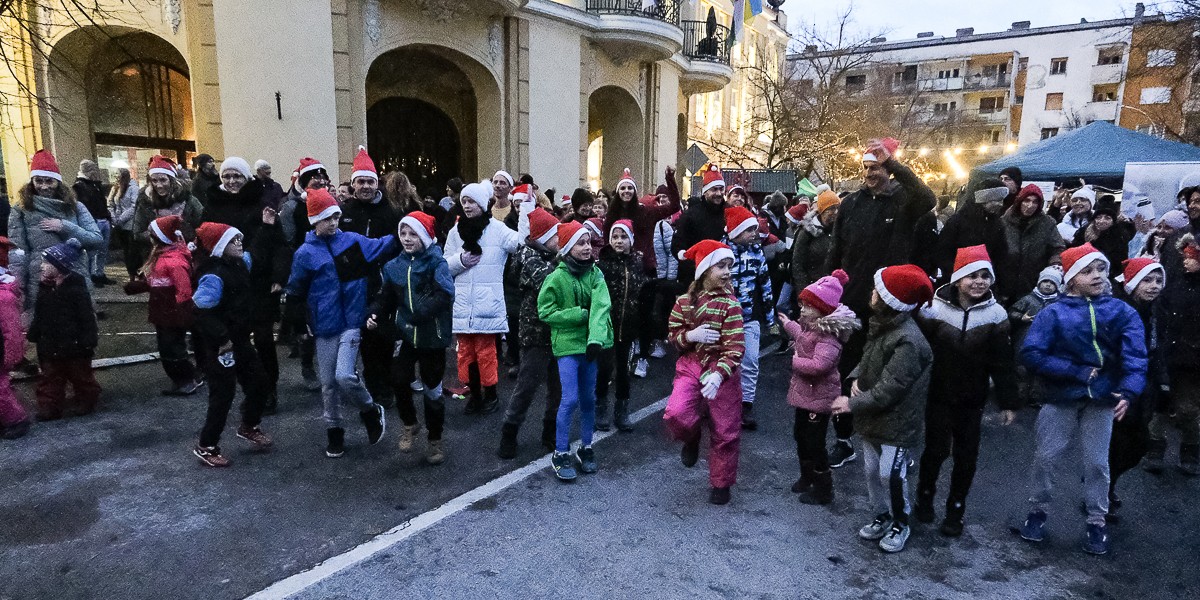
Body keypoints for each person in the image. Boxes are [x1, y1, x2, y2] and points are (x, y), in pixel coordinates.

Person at [1019, 243, 1147, 556]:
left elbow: (1135, 354)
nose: (1098, 276)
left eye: (1102, 269)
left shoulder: (1121, 311)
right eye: (1088, 270)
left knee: (1097, 464)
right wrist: (1075, 371)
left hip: (1103, 399)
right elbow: (1031, 353)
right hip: (1060, 396)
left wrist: (1129, 391)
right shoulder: (1053, 313)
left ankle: (1096, 521)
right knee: (1046, 457)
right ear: (1073, 277)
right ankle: (1036, 512)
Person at [824, 138, 936, 471]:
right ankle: (844, 440)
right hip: (853, 303)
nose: (871, 174)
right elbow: (836, 250)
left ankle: (891, 442)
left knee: (891, 377)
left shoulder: (905, 201)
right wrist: (829, 291)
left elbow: (928, 198)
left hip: (892, 307)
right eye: (867, 168)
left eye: (877, 168)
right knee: (846, 373)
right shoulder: (850, 203)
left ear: (888, 169)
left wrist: (896, 165)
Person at [913, 245, 1018, 538]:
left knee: (966, 455)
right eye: (972, 276)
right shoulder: (934, 309)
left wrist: (1008, 400)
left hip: (973, 397)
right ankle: (925, 495)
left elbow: (1003, 360)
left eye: (985, 276)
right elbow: (920, 349)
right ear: (958, 279)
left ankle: (955, 510)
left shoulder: (996, 314)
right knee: (935, 450)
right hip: (939, 392)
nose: (979, 282)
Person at [830, 263, 934, 553]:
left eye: (878, 290)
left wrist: (851, 403)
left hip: (897, 422)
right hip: (874, 415)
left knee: (892, 474)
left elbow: (891, 387)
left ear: (891, 299)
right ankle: (881, 514)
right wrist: (854, 378)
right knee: (872, 471)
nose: (872, 293)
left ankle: (901, 521)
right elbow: (870, 359)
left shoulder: (908, 341)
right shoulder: (884, 326)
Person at [285, 188, 394, 458]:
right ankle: (334, 431)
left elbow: (385, 244)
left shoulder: (352, 241)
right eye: (326, 218)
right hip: (324, 324)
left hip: (352, 321)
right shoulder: (305, 253)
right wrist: (300, 325)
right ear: (314, 221)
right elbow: (295, 291)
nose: (333, 223)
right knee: (328, 383)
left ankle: (370, 411)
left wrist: (408, 225)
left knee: (344, 375)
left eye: (336, 216)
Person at [202, 156, 290, 413]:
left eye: (237, 176)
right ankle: (251, 388)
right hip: (228, 283)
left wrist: (278, 276)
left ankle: (269, 388)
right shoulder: (213, 205)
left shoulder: (262, 203)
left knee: (263, 338)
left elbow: (279, 245)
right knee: (237, 339)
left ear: (247, 177)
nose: (232, 181)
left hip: (259, 281)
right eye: (227, 176)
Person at [664, 240, 745, 505]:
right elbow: (674, 337)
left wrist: (720, 374)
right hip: (691, 364)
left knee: (725, 429)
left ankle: (721, 483)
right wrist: (690, 335)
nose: (727, 272)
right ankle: (692, 437)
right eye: (721, 265)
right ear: (704, 270)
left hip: (722, 371)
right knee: (678, 413)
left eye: (729, 266)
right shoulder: (684, 302)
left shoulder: (731, 304)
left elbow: (735, 346)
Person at [369, 212, 454, 465]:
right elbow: (385, 297)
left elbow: (445, 294)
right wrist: (374, 313)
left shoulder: (436, 263)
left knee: (431, 389)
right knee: (398, 379)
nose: (407, 239)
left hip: (433, 337)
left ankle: (435, 439)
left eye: (413, 234)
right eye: (403, 233)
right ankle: (409, 423)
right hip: (406, 334)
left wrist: (421, 314)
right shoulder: (394, 265)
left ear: (425, 237)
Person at [189, 222, 273, 467]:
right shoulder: (213, 275)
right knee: (222, 396)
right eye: (233, 240)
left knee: (260, 382)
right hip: (222, 345)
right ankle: (206, 445)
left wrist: (266, 227)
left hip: (240, 340)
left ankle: (249, 425)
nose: (239, 243)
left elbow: (254, 251)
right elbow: (201, 312)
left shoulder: (238, 264)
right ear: (220, 246)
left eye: (239, 239)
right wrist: (222, 339)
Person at [444, 181, 531, 415]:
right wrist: (460, 261)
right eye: (464, 201)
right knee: (465, 353)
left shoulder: (497, 229)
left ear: (482, 203)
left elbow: (521, 243)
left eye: (471, 201)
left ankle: (491, 394)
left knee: (486, 352)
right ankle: (474, 393)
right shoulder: (455, 232)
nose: (467, 205)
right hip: (463, 303)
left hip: (487, 303)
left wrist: (527, 212)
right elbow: (444, 266)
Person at [538, 221, 613, 481]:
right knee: (569, 399)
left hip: (590, 346)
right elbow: (545, 311)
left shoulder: (596, 274)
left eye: (589, 243)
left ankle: (586, 447)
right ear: (568, 248)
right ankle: (560, 452)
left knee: (589, 399)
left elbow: (602, 306)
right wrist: (577, 314)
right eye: (581, 243)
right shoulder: (556, 278)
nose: (587, 248)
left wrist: (596, 339)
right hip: (567, 347)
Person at [778, 269, 860, 506]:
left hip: (819, 397)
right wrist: (789, 325)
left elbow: (819, 365)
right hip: (806, 395)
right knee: (801, 436)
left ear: (822, 309)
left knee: (814, 441)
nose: (802, 309)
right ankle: (808, 476)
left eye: (807, 306)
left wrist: (794, 362)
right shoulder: (812, 327)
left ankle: (824, 488)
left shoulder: (829, 337)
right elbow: (803, 336)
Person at [339, 148, 403, 410]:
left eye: (370, 181)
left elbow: (400, 243)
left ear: (377, 183)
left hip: (384, 283)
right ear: (353, 184)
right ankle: (373, 384)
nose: (365, 186)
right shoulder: (344, 212)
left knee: (385, 337)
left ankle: (386, 387)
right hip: (355, 284)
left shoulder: (391, 211)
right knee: (365, 338)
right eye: (360, 182)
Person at [603, 167, 682, 378]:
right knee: (619, 316)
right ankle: (620, 358)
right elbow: (606, 242)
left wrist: (670, 179)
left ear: (634, 191)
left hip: (645, 270)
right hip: (619, 271)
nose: (627, 191)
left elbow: (674, 205)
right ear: (618, 192)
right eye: (623, 188)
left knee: (645, 316)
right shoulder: (611, 214)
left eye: (630, 188)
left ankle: (643, 358)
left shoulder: (645, 211)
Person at [497, 208, 562, 458]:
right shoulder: (529, 256)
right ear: (543, 238)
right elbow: (549, 282)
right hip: (535, 334)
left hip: (558, 332)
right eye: (555, 236)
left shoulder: (555, 257)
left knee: (558, 388)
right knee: (527, 386)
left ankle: (550, 431)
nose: (560, 241)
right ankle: (510, 431)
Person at [9, 150, 105, 313]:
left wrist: (65, 227)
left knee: (81, 331)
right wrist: (18, 288)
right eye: (38, 181)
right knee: (46, 333)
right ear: (32, 181)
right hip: (40, 283)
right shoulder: (21, 210)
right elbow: (18, 253)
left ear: (58, 182)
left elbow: (96, 239)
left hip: (75, 278)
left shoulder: (76, 207)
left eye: (49, 181)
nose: (44, 186)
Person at [1110, 258, 1167, 517]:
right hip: (1120, 385)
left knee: (1137, 445)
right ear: (1133, 283)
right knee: (1119, 443)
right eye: (1147, 280)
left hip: (1145, 385)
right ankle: (1101, 494)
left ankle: (1105, 485)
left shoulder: (1155, 310)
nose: (1154, 286)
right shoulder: (1120, 309)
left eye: (1158, 280)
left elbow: (1157, 349)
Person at [123, 215, 202, 396]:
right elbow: (158, 281)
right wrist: (140, 286)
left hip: (171, 314)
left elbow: (183, 290)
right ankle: (189, 377)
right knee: (171, 347)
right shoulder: (165, 256)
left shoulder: (172, 260)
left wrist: (184, 312)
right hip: (165, 312)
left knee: (171, 349)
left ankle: (186, 380)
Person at [28, 239, 100, 421]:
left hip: (75, 346)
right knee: (50, 378)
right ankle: (49, 407)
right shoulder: (46, 289)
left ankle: (86, 400)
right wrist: (34, 332)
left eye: (46, 263)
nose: (42, 267)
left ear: (59, 267)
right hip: (49, 345)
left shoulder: (76, 290)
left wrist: (88, 340)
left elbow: (87, 318)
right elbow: (40, 313)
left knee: (81, 376)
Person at [1148, 235, 1200, 475]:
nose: (1186, 262)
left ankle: (1190, 450)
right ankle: (1155, 450)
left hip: (1193, 358)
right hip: (1169, 353)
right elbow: (1162, 311)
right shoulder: (1175, 282)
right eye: (1186, 257)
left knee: (1189, 409)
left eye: (1192, 258)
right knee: (1160, 404)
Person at [722, 206, 773, 430]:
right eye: (749, 229)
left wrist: (770, 319)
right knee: (722, 362)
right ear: (735, 231)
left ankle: (746, 405)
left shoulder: (757, 251)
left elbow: (765, 283)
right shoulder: (721, 251)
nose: (754, 234)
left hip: (750, 317)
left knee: (750, 361)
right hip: (724, 318)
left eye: (754, 229)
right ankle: (717, 403)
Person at [595, 219, 648, 432]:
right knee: (604, 369)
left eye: (623, 237)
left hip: (628, 328)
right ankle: (600, 406)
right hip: (607, 327)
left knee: (624, 371)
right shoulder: (603, 264)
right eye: (615, 237)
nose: (619, 241)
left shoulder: (636, 263)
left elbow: (642, 292)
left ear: (631, 240)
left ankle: (622, 408)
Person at [936, 179, 1010, 289]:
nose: (1001, 204)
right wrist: (957, 276)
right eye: (997, 200)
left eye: (1002, 200)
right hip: (957, 282)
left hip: (985, 284)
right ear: (984, 199)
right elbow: (943, 252)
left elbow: (1001, 256)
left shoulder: (997, 224)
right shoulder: (958, 221)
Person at [998, 184, 1064, 303]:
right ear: (1019, 201)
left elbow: (1058, 247)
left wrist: (1055, 263)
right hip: (1004, 282)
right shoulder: (1003, 222)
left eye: (1035, 202)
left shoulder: (1047, 223)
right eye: (1026, 200)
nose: (1030, 205)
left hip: (1033, 283)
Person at [1008, 267, 1062, 406]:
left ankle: (1036, 397)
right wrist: (1021, 317)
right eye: (1045, 281)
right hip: (1025, 339)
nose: (1048, 285)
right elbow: (1011, 312)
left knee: (1041, 370)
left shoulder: (1059, 303)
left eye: (1052, 283)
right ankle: (1019, 395)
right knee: (1021, 369)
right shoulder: (1028, 299)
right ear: (1039, 283)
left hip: (1047, 341)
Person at [672, 164, 729, 283]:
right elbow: (677, 245)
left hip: (724, 277)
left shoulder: (729, 213)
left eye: (721, 189)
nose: (718, 193)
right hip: (695, 278)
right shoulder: (691, 215)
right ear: (705, 192)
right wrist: (696, 266)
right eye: (714, 189)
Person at [131, 155, 204, 243]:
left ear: (171, 180)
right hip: (157, 253)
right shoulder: (145, 202)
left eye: (163, 180)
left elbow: (203, 225)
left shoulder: (188, 199)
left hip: (187, 251)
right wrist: (158, 236)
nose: (159, 185)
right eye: (154, 181)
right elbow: (137, 233)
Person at [791, 188, 840, 291]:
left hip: (833, 288)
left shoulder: (839, 231)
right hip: (813, 287)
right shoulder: (807, 232)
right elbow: (797, 264)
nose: (835, 212)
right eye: (831, 208)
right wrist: (803, 290)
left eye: (837, 208)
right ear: (822, 210)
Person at [73, 160, 113, 287]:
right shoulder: (78, 186)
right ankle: (91, 275)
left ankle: (99, 274)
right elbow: (82, 207)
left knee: (102, 251)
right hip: (93, 222)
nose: (95, 173)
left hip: (103, 220)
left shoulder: (95, 185)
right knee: (91, 252)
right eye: (93, 170)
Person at [0, 265, 29, 439]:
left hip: (0, 351)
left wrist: (11, 356)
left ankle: (17, 420)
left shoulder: (4, 298)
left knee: (1, 389)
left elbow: (12, 331)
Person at [1070, 196, 1135, 271]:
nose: (1101, 221)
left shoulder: (1121, 236)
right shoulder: (1083, 232)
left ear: (1113, 221)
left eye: (1107, 218)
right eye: (1098, 217)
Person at [107, 167, 142, 281]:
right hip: (120, 225)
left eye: (118, 175)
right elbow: (111, 204)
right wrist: (113, 217)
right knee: (126, 252)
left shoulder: (133, 188)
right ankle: (131, 274)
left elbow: (134, 206)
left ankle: (137, 274)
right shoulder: (115, 188)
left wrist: (121, 218)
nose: (116, 177)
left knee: (133, 251)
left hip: (130, 224)